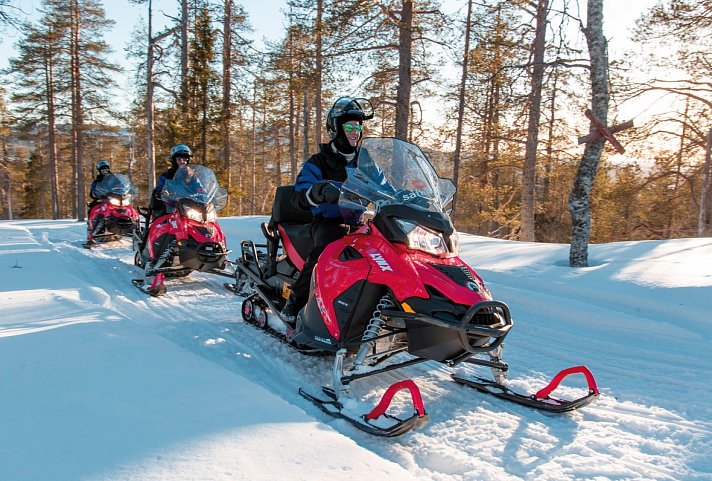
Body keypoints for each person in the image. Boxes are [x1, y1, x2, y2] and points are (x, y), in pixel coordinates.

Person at [281, 97, 374, 323]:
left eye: (358, 127)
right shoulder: (319, 161)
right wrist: (317, 192)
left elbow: (382, 184)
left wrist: (403, 195)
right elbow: (301, 192)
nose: (355, 132)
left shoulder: (365, 160)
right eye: (349, 126)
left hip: (358, 222)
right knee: (325, 251)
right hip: (328, 222)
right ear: (336, 129)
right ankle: (294, 304)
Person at [150, 144, 192, 219]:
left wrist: (206, 194)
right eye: (179, 159)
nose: (183, 162)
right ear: (174, 160)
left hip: (190, 208)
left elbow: (200, 187)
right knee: (163, 222)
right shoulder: (166, 176)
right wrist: (161, 192)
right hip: (170, 208)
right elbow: (159, 188)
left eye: (185, 159)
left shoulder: (192, 177)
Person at [85, 160, 112, 246]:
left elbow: (121, 186)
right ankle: (91, 230)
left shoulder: (114, 179)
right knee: (92, 208)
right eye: (102, 170)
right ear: (99, 171)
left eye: (106, 169)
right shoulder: (97, 181)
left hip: (114, 199)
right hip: (102, 199)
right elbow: (92, 191)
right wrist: (95, 195)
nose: (105, 171)